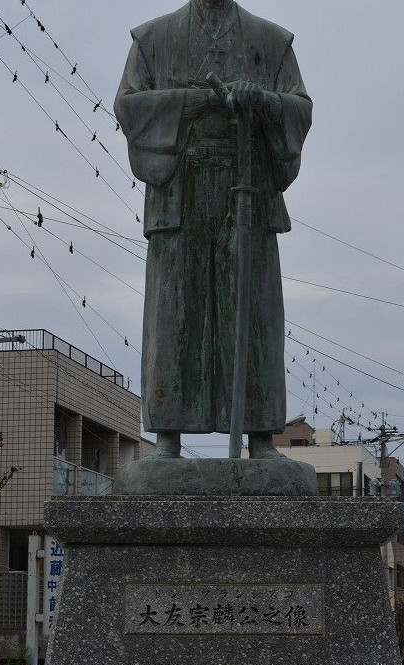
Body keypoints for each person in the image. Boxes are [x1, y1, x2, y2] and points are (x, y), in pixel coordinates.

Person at [115, 0, 312, 459]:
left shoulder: (272, 41)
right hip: (178, 191)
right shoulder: (152, 39)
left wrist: (264, 103)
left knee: (254, 309)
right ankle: (167, 437)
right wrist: (192, 100)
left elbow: (299, 106)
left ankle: (261, 436)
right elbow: (129, 105)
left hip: (250, 187)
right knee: (172, 312)